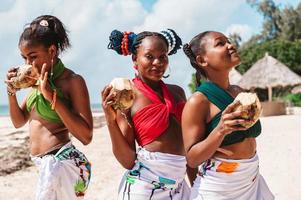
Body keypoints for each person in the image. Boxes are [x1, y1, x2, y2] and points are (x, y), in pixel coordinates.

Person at [5, 15, 92, 199]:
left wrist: (50, 95)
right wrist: (11, 91)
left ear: (52, 51)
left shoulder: (72, 81)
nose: (28, 64)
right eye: (24, 58)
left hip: (61, 162)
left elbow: (86, 136)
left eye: (32, 56)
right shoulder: (37, 83)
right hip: (45, 165)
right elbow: (19, 121)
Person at [102, 29, 196, 199]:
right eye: (149, 56)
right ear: (134, 59)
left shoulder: (178, 92)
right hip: (144, 187)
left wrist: (196, 187)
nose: (157, 62)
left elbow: (189, 147)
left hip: (179, 188)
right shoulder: (127, 95)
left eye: (162, 56)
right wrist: (110, 120)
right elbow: (127, 161)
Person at [182, 31, 274, 200]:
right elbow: (192, 159)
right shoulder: (198, 101)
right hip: (221, 187)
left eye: (229, 41)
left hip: (251, 179)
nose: (230, 45)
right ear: (202, 60)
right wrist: (220, 130)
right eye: (220, 43)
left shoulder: (239, 92)